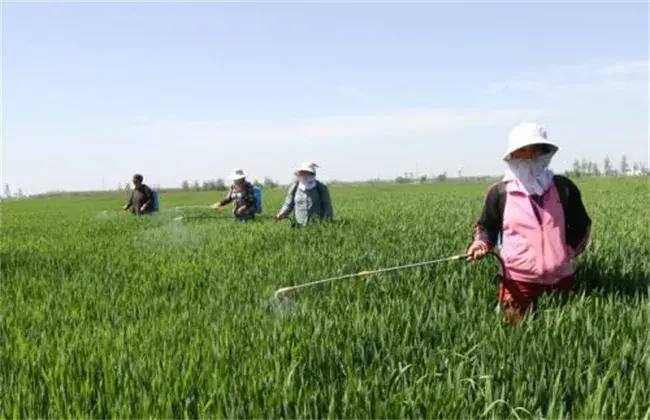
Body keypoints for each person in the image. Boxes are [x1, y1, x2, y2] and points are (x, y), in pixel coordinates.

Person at [466, 122, 591, 323]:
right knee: (514, 335)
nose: (530, 156)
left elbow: (582, 225)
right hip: (516, 280)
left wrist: (566, 253)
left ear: (545, 153)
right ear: (512, 155)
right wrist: (480, 244)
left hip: (561, 278)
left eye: (536, 150)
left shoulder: (563, 188)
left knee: (563, 335)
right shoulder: (500, 192)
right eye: (523, 150)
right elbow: (487, 228)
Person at [275, 162, 333, 226]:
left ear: (312, 174)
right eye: (302, 173)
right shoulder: (295, 187)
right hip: (299, 225)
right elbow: (288, 204)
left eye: (306, 173)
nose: (304, 175)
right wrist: (281, 214)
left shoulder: (320, 187)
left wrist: (327, 222)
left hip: (317, 225)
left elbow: (327, 206)